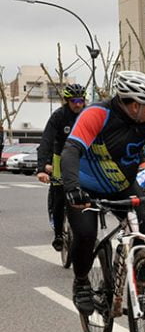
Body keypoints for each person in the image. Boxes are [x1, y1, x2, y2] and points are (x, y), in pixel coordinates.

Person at [61, 70, 145, 315]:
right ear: (133, 105)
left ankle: (141, 288)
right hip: (86, 188)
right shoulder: (96, 114)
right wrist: (72, 188)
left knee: (144, 226)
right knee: (86, 234)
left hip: (123, 185)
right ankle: (81, 282)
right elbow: (71, 150)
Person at [36, 83, 87, 251]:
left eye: (81, 100)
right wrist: (43, 167)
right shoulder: (59, 116)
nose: (78, 104)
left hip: (83, 156)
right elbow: (46, 141)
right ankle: (58, 234)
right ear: (67, 101)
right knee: (59, 196)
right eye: (74, 101)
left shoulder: (88, 114)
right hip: (61, 157)